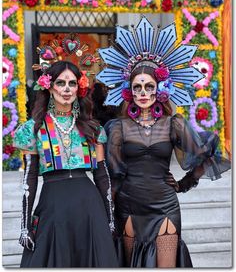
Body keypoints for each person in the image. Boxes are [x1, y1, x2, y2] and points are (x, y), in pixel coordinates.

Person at [96, 17, 231, 268]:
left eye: (149, 87)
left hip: (165, 205)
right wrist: (106, 211)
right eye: (137, 88)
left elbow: (205, 155)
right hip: (129, 206)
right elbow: (113, 176)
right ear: (129, 91)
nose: (143, 93)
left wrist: (184, 183)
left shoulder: (174, 124)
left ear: (159, 88)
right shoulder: (117, 128)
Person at [13, 60, 118, 267]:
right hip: (53, 206)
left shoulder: (93, 128)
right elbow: (30, 177)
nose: (67, 89)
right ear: (49, 87)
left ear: (79, 88)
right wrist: (25, 226)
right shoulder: (32, 129)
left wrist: (110, 217)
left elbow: (102, 175)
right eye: (61, 83)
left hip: (89, 208)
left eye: (72, 83)